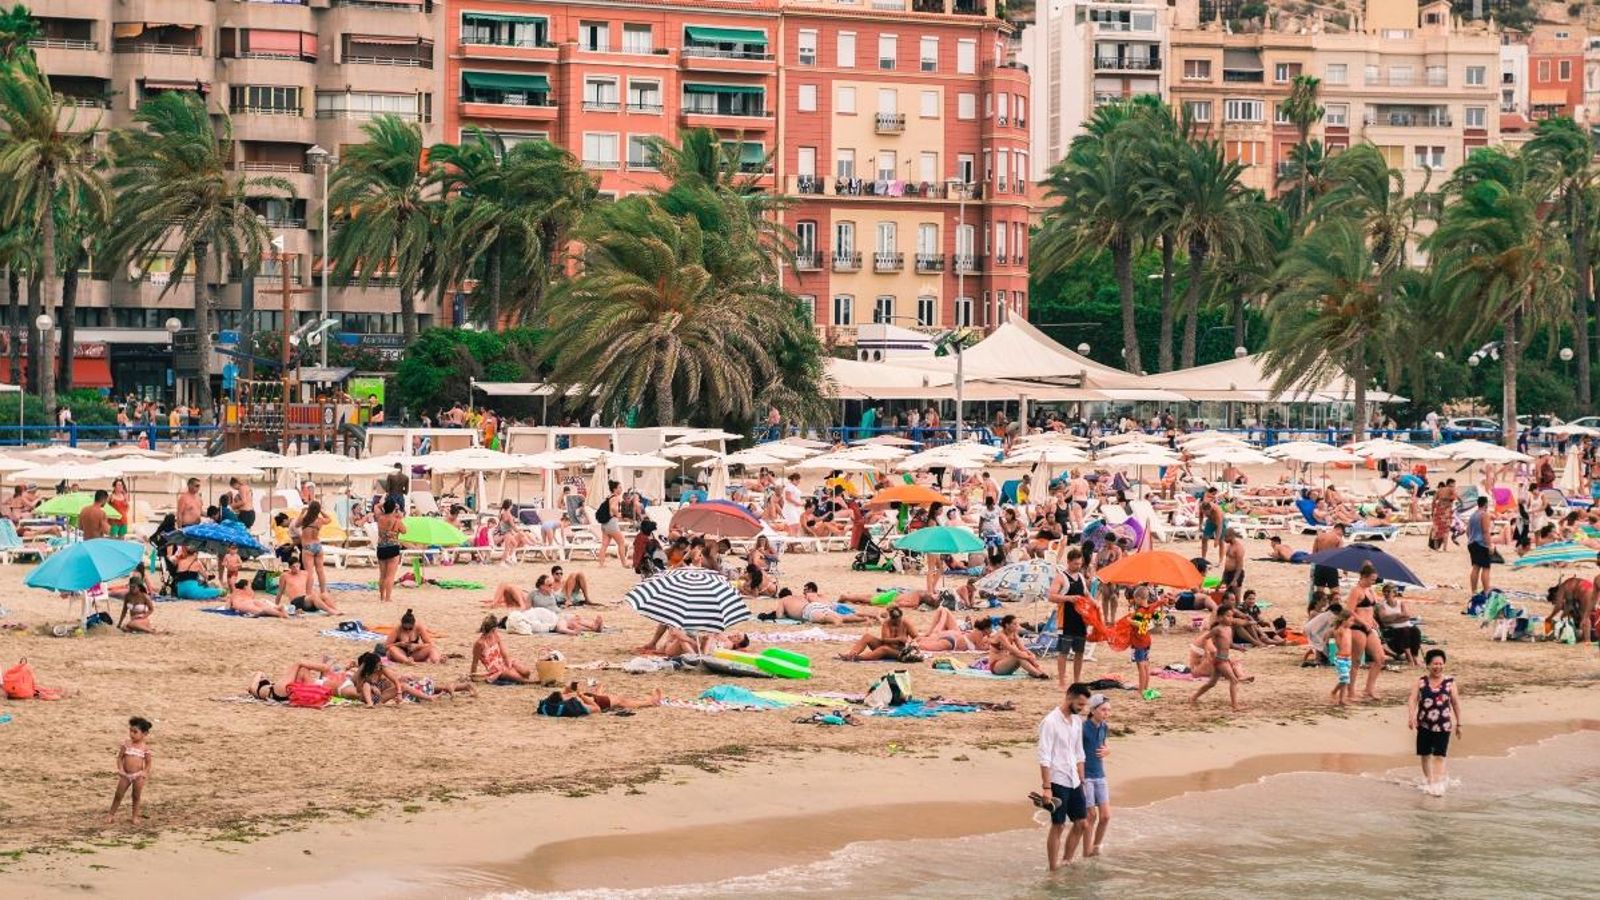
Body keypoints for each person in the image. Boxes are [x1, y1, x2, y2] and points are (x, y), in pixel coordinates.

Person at [1035, 683, 1090, 871]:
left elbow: (1079, 752)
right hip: (1057, 779)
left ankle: (1067, 860)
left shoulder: (1077, 721)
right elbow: (1044, 756)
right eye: (1080, 705)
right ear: (1069, 698)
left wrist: (1082, 778)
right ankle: (1053, 869)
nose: (1082, 709)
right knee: (1058, 825)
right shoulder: (1050, 722)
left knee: (1082, 823)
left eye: (1084, 705)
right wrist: (1046, 787)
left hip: (1074, 779)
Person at [1407, 648, 1463, 796]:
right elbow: (1412, 699)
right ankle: (1429, 781)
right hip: (1424, 724)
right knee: (1425, 755)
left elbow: (1456, 703)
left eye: (1440, 663)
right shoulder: (1421, 682)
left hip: (1443, 725)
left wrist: (1459, 724)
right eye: (1434, 664)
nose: (1437, 666)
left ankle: (1437, 785)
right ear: (1428, 665)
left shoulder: (1450, 683)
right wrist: (1411, 716)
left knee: (1440, 755)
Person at [1189, 603, 1247, 712]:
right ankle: (1235, 706)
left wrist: (1239, 648)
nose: (1230, 618)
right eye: (1228, 616)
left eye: (1232, 616)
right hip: (1219, 660)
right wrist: (1207, 652)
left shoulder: (1229, 629)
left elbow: (1229, 644)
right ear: (1220, 617)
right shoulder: (1218, 629)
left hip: (1224, 659)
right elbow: (1205, 638)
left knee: (1211, 683)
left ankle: (1193, 697)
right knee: (1234, 680)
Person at [1047, 548, 1091, 687]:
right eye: (1075, 564)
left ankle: (1077, 680)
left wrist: (1095, 604)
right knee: (1063, 652)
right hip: (1065, 619)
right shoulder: (1061, 577)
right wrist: (1069, 598)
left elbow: (1087, 594)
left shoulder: (1081, 577)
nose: (1078, 567)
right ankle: (1062, 681)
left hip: (1080, 619)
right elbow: (1051, 596)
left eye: (1080, 564)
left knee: (1079, 651)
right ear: (1069, 562)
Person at [1080, 694, 1112, 858]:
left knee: (1105, 816)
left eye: (1108, 710)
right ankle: (1086, 853)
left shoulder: (1104, 727)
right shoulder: (1082, 728)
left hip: (1100, 775)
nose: (1106, 713)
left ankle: (1096, 848)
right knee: (1091, 816)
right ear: (1092, 710)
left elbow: (1103, 745)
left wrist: (1108, 750)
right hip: (1086, 777)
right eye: (1103, 710)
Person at [108, 716, 153, 824]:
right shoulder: (126, 744)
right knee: (118, 795)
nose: (131, 734)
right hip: (125, 774)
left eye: (135, 732)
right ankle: (111, 814)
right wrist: (121, 769)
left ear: (144, 734)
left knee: (136, 796)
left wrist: (144, 773)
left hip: (138, 776)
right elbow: (120, 758)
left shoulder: (145, 748)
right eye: (130, 731)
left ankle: (134, 816)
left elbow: (148, 762)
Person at [837, 607, 918, 661]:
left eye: (898, 620)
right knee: (867, 636)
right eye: (894, 620)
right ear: (891, 618)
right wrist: (898, 639)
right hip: (885, 646)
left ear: (901, 617)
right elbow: (885, 640)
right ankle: (851, 654)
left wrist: (913, 642)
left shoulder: (906, 623)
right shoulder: (887, 623)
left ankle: (858, 658)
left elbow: (917, 637)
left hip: (898, 651)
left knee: (884, 649)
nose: (896, 622)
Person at [471, 614, 533, 684]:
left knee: (526, 672)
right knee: (516, 676)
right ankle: (533, 682)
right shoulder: (479, 643)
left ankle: (525, 680)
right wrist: (473, 676)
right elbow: (475, 662)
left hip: (502, 661)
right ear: (493, 629)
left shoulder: (495, 635)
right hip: (494, 668)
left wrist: (508, 661)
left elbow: (503, 651)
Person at [298, 501, 332, 608]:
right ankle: (323, 592)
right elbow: (329, 519)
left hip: (308, 547)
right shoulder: (320, 520)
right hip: (318, 545)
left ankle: (308, 593)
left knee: (309, 572)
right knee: (320, 571)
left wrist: (303, 512)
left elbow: (296, 524)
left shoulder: (305, 520)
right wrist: (321, 511)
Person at [375, 498, 404, 604]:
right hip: (393, 548)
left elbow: (376, 506)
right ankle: (388, 598)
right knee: (390, 576)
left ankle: (382, 597)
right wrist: (399, 515)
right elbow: (404, 531)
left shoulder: (379, 518)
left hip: (381, 547)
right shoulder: (396, 520)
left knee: (382, 575)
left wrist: (387, 504)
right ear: (394, 509)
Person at [1467, 495, 1494, 601]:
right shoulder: (1484, 514)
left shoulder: (1473, 515)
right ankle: (1486, 591)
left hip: (1472, 543)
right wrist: (1489, 545)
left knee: (1475, 567)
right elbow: (1486, 531)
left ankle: (1474, 591)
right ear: (1485, 504)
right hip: (1481, 544)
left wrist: (1471, 539)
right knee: (1486, 568)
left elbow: (1468, 531)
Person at [595, 480, 628, 566]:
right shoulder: (616, 497)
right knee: (621, 543)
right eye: (620, 487)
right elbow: (613, 508)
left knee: (604, 545)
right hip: (611, 523)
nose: (621, 489)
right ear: (615, 489)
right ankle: (624, 563)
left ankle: (601, 564)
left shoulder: (609, 497)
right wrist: (618, 514)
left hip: (604, 524)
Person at [1328, 610, 1355, 706]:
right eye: (1351, 621)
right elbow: (1338, 643)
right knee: (1345, 679)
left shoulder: (1349, 630)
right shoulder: (1339, 630)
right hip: (1341, 658)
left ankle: (1341, 698)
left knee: (1345, 680)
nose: (1352, 623)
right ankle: (1336, 694)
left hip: (1348, 658)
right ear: (1344, 621)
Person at [1198, 487, 1224, 564]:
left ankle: (1220, 560)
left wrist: (1216, 539)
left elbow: (1220, 526)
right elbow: (1201, 516)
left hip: (1221, 521)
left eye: (1208, 512)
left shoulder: (1217, 511)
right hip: (1210, 521)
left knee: (1221, 541)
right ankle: (1203, 558)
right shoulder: (1201, 506)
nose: (1207, 513)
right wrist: (1200, 525)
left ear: (1211, 509)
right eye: (1205, 513)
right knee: (1204, 539)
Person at [1220, 528, 1246, 599]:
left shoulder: (1238, 548)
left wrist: (1235, 580)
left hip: (1236, 573)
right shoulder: (1229, 546)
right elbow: (1227, 562)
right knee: (1228, 595)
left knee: (1236, 596)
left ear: (1231, 536)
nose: (1224, 539)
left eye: (1225, 537)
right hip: (1228, 572)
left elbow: (1240, 565)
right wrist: (1223, 578)